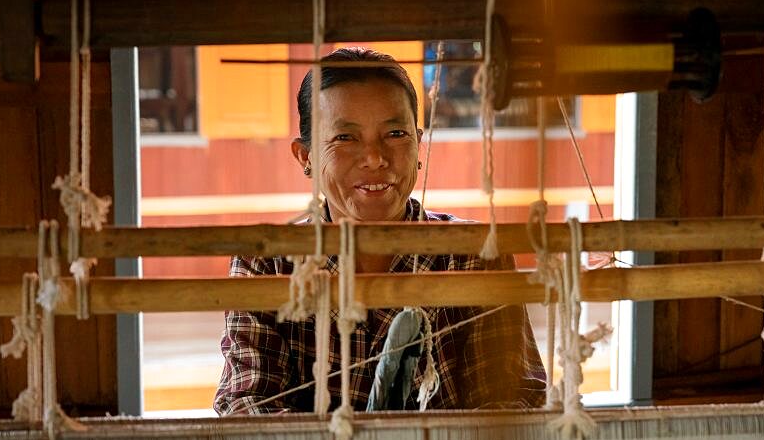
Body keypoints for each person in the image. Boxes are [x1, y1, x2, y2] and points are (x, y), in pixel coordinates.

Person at [215, 47, 546, 415]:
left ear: (419, 145)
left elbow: (511, 404)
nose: (375, 157)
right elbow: (247, 405)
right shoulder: (269, 265)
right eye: (345, 138)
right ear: (305, 157)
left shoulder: (474, 255)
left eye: (395, 133)